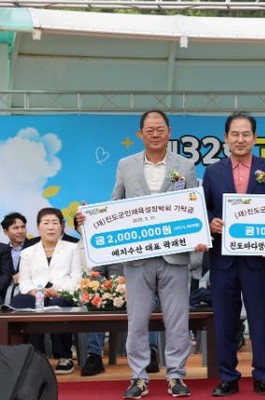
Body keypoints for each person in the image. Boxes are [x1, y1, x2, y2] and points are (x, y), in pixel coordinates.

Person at [111, 110, 203, 398]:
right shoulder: (125, 165)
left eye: (160, 129)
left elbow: (194, 205)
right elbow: (116, 204)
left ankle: (176, 375)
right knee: (137, 321)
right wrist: (93, 220)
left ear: (169, 132)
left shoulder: (184, 165)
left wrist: (198, 237)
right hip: (137, 258)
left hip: (174, 257)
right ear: (140, 133)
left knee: (177, 321)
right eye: (149, 129)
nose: (155, 134)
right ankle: (138, 377)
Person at [203, 112, 265, 396]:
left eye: (245, 134)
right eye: (234, 134)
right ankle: (228, 377)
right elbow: (205, 209)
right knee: (225, 320)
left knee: (261, 319)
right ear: (226, 138)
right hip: (223, 260)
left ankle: (263, 375)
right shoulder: (213, 172)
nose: (240, 139)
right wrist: (210, 222)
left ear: (255, 138)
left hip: (259, 260)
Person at [10, 207, 81, 374]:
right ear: (38, 227)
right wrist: (35, 292)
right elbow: (24, 280)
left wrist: (58, 291)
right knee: (21, 301)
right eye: (46, 223)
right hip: (35, 294)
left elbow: (76, 277)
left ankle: (64, 356)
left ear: (62, 227)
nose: (50, 227)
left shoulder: (73, 248)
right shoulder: (28, 252)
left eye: (55, 223)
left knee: (58, 304)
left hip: (62, 294)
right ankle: (36, 356)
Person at [2, 212, 28, 303]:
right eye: (16, 228)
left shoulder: (35, 248)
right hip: (4, 297)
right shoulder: (2, 251)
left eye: (23, 227)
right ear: (5, 231)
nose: (21, 231)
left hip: (28, 296)